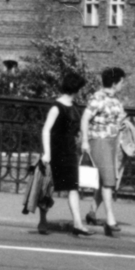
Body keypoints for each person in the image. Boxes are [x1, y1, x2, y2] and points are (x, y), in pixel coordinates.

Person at [39, 71, 92, 236]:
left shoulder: (75, 107)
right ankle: (42, 221)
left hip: (69, 152)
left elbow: (78, 127)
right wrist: (47, 153)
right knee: (48, 188)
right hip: (55, 152)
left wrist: (83, 141)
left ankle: (77, 224)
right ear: (76, 89)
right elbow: (46, 130)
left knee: (72, 187)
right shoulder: (57, 107)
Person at [80, 66, 127, 237]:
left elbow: (117, 119)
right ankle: (110, 220)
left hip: (112, 142)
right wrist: (85, 141)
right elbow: (85, 118)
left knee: (104, 180)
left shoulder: (115, 100)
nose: (123, 85)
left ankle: (92, 213)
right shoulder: (98, 98)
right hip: (99, 141)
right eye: (122, 82)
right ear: (115, 83)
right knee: (108, 180)